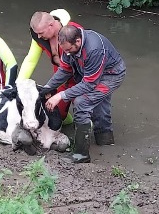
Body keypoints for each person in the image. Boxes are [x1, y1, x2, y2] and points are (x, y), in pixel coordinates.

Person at [43, 25, 126, 164]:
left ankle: (81, 155)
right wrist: (47, 88)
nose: (67, 53)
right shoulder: (68, 46)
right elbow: (64, 70)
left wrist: (60, 95)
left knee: (82, 102)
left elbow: (89, 84)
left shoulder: (94, 49)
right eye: (64, 51)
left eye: (69, 50)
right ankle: (105, 140)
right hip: (93, 74)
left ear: (78, 41)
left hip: (112, 75)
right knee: (99, 104)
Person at [17, 9, 83, 125]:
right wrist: (18, 85)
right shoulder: (39, 37)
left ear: (51, 25)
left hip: (81, 80)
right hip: (61, 81)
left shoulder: (74, 32)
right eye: (37, 33)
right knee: (54, 114)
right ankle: (66, 122)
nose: (38, 36)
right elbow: (31, 60)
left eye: (41, 32)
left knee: (83, 112)